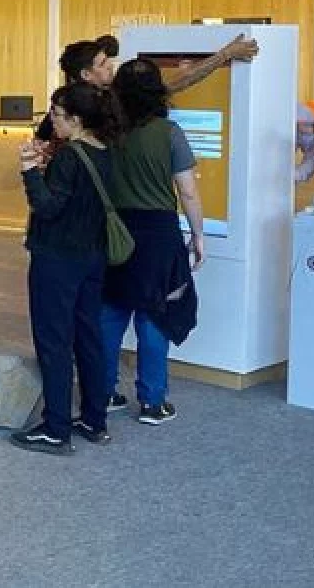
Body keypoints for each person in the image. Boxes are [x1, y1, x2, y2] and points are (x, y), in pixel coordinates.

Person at [12, 82, 120, 454]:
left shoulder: (70, 156)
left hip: (57, 257)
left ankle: (56, 427)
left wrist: (29, 170)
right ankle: (93, 419)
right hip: (93, 255)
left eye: (57, 115)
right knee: (88, 336)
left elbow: (48, 207)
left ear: (76, 119)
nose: (52, 121)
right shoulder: (105, 150)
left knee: (54, 340)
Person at [101, 58, 204, 426]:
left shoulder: (107, 133)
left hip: (114, 230)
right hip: (159, 233)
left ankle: (103, 392)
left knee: (110, 312)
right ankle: (152, 401)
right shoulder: (170, 132)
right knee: (155, 314)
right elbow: (187, 192)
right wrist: (198, 233)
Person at [35, 35, 119, 142]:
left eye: (107, 59)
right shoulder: (63, 110)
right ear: (86, 74)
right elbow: (39, 140)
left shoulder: (117, 94)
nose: (110, 65)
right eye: (102, 64)